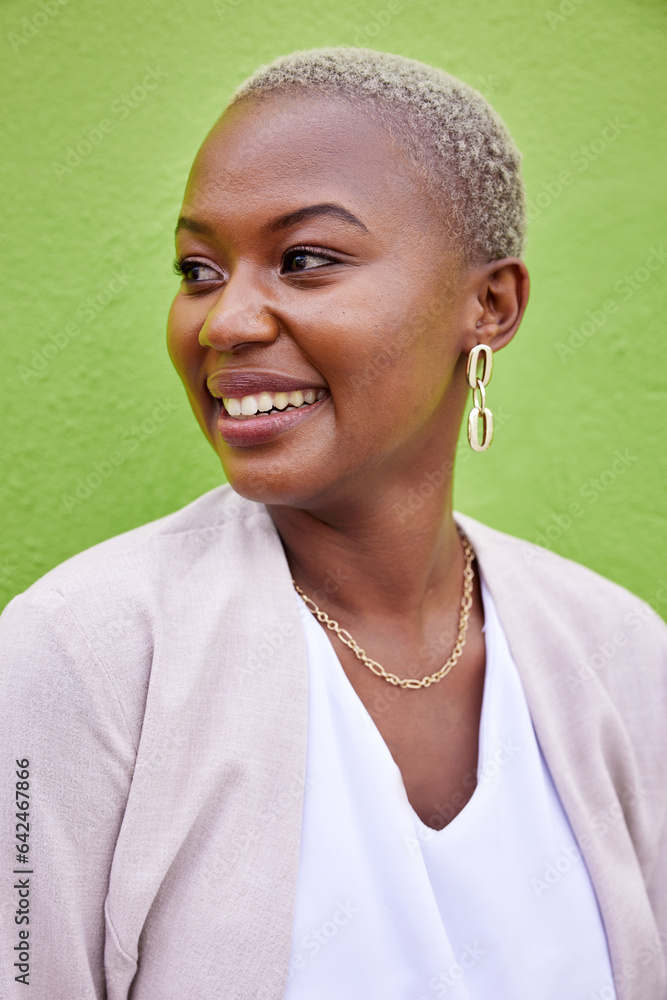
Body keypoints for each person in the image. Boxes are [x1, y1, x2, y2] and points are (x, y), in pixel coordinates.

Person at [0, 47, 665, 1000]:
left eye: (305, 259)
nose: (224, 322)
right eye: (197, 268)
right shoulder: (88, 655)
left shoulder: (618, 658)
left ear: (489, 304)